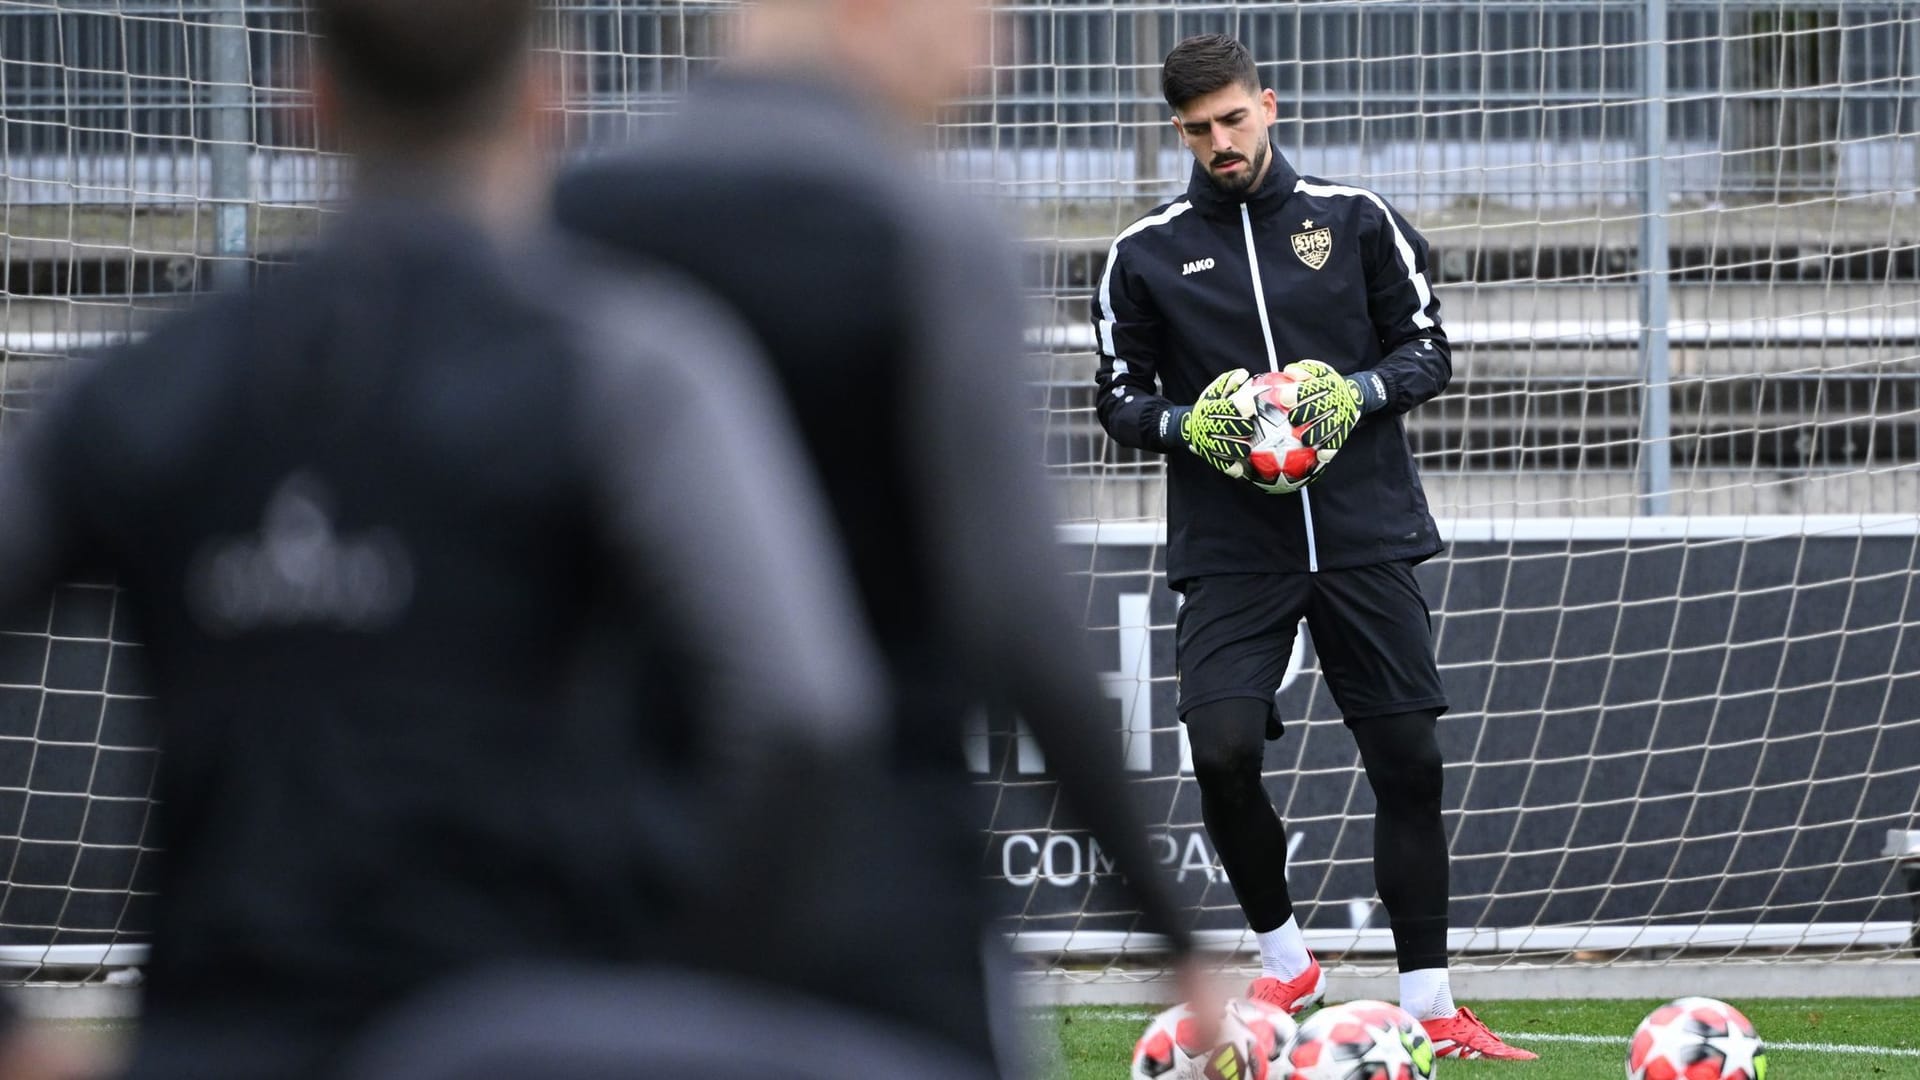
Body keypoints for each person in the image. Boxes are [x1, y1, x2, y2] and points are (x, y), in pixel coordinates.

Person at [0, 0, 888, 1076]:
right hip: (528, 1032)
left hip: (221, 1031)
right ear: (549, 98)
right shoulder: (627, 369)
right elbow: (803, 712)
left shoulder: (141, 386)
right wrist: (679, 993)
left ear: (305, 100)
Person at [553, 0, 1203, 1071]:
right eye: (985, 13)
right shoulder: (923, 233)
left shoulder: (566, 217)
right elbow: (1018, 618)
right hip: (877, 898)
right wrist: (1171, 929)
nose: (1007, 50)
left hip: (606, 903)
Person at [1090, 33, 1536, 1061]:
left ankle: (1431, 1003)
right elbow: (1118, 398)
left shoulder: (1356, 220)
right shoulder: (1144, 254)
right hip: (1233, 546)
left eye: (1234, 120)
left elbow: (1428, 350)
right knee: (1223, 749)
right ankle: (1286, 958)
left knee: (1409, 762)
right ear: (1178, 133)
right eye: (1199, 130)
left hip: (1363, 532)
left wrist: (1358, 395)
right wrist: (1185, 426)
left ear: (1269, 106)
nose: (1221, 144)